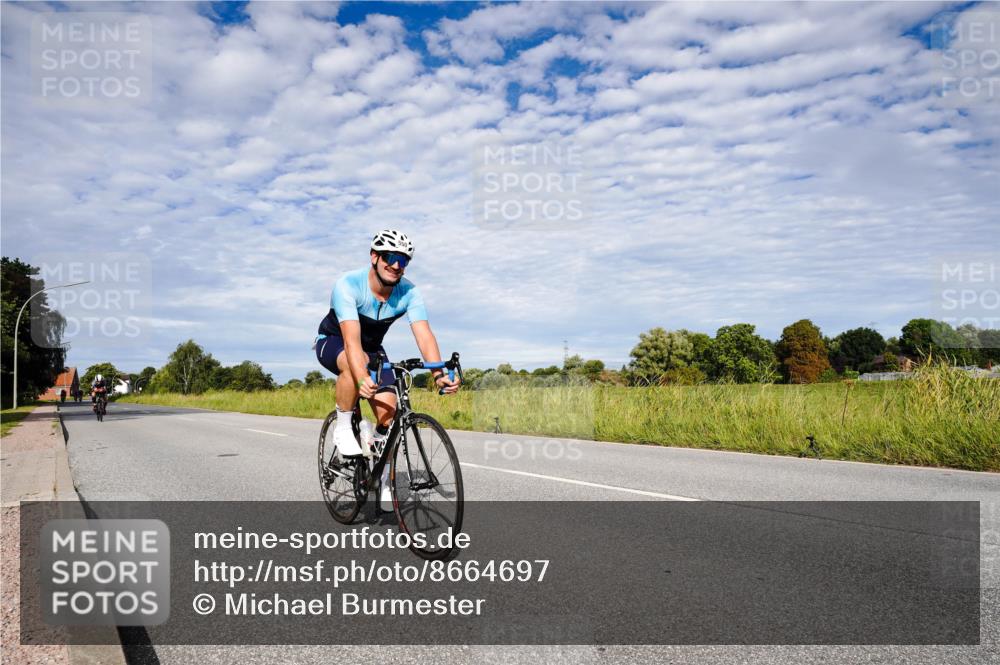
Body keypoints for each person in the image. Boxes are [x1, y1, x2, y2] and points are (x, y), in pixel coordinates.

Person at [315, 229, 459, 511]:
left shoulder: (409, 292)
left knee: (389, 412)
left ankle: (383, 475)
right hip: (334, 342)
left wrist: (438, 374)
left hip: (372, 350)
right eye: (390, 257)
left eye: (403, 261)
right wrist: (360, 376)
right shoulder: (348, 285)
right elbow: (351, 341)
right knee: (350, 365)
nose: (396, 265)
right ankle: (344, 427)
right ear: (374, 257)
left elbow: (424, 334)